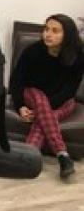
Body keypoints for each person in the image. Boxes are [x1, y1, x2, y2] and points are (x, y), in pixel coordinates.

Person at [9, 14, 84, 179]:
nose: (48, 34)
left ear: (67, 35)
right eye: (47, 29)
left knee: (47, 112)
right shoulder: (32, 51)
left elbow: (70, 90)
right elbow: (16, 82)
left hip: (62, 101)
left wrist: (43, 111)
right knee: (39, 96)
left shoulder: (78, 56)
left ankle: (28, 158)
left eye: (55, 31)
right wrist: (20, 106)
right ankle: (63, 155)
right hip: (32, 94)